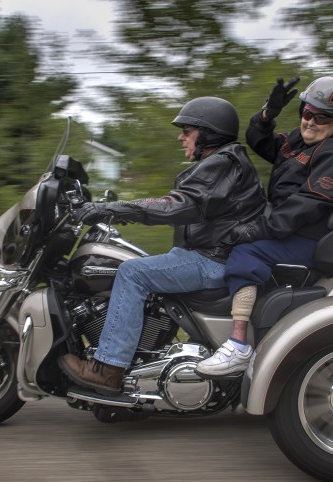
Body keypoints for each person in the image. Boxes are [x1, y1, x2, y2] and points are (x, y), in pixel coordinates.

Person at [59, 96, 267, 396]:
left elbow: (176, 206)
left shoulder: (222, 163)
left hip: (212, 259)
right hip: (205, 253)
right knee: (133, 261)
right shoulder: (221, 163)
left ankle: (109, 370)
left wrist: (111, 209)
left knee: (131, 272)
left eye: (188, 130)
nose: (181, 137)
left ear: (208, 133)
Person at [195, 76, 333, 377]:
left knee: (246, 250)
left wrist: (258, 229)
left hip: (310, 237)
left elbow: (306, 205)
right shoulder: (303, 140)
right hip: (289, 227)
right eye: (306, 112)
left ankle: (238, 344)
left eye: (321, 116)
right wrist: (267, 114)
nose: (310, 122)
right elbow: (262, 143)